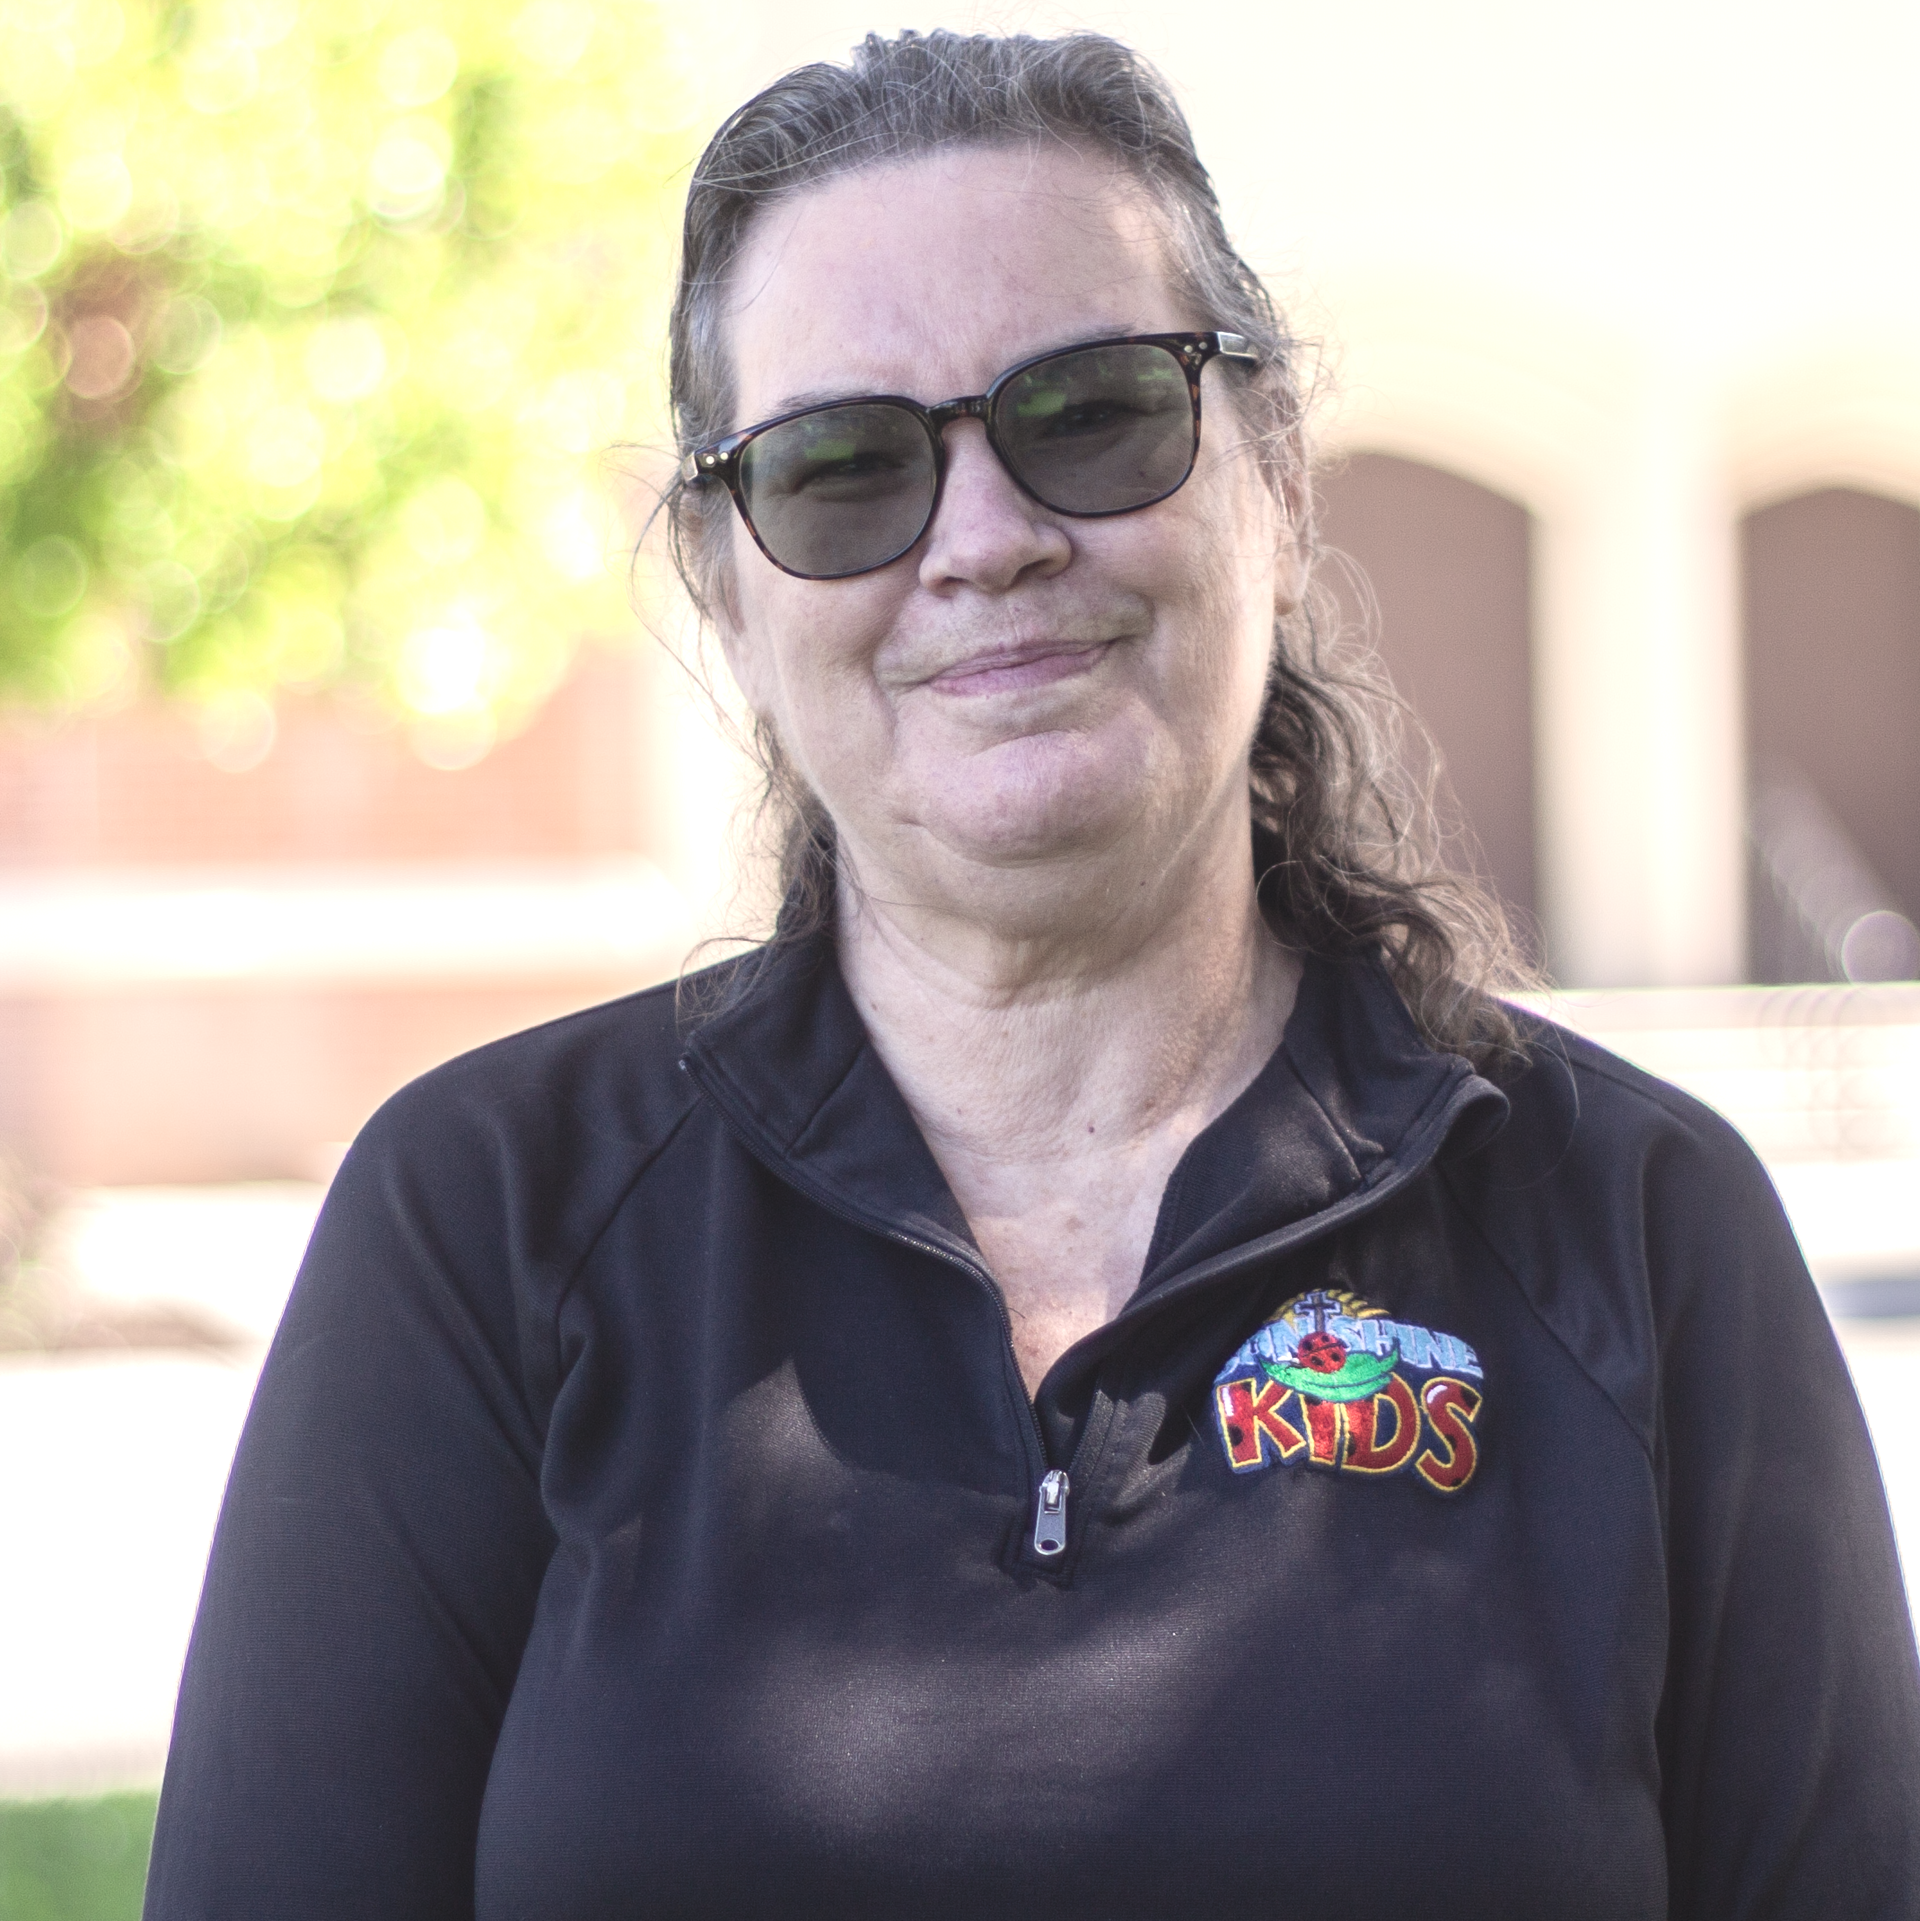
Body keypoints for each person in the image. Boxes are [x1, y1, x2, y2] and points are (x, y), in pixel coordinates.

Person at [144, 30, 1919, 1920]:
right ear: (729, 587)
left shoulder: (1642, 1232)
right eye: (842, 468)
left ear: (1279, 479)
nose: (986, 541)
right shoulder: (484, 1221)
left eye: (1090, 413)